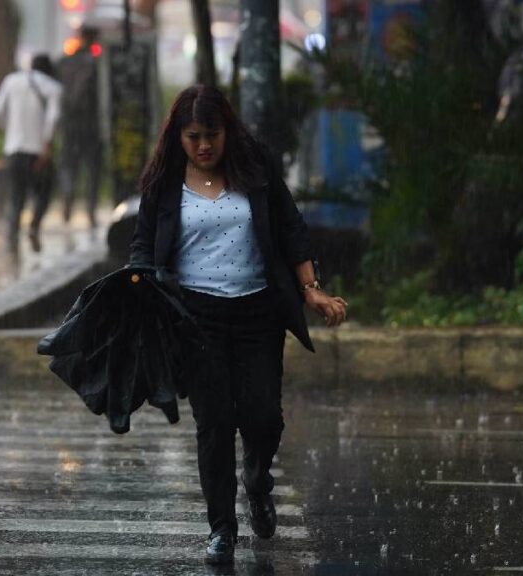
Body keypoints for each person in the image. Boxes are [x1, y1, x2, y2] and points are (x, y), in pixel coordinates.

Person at [129, 85, 348, 565]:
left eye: (212, 135)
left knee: (264, 416)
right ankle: (221, 529)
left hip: (257, 313)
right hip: (196, 317)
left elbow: (290, 226)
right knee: (215, 424)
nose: (204, 146)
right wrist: (140, 286)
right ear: (178, 137)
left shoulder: (255, 167)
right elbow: (144, 245)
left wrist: (311, 287)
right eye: (193, 137)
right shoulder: (165, 180)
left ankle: (257, 478)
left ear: (227, 131)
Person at [0, 53, 62, 252]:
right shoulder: (53, 88)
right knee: (44, 192)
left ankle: (11, 243)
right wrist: (46, 146)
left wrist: (11, 131)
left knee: (16, 197)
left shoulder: (11, 81)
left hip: (13, 149)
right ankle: (34, 226)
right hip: (38, 152)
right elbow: (53, 118)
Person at [57, 25, 103, 227]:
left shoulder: (64, 62)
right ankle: (90, 211)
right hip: (91, 125)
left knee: (69, 165)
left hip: (69, 124)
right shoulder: (97, 64)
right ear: (93, 39)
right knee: (92, 168)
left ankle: (68, 198)